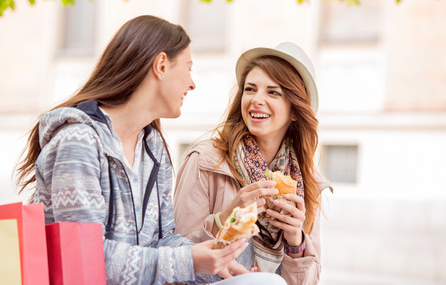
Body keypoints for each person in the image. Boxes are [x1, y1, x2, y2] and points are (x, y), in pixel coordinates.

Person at [15, 15, 253, 285]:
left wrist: (213, 261)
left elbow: (160, 241)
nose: (192, 83)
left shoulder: (153, 148)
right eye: (188, 68)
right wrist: (189, 260)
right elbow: (84, 259)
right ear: (161, 65)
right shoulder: (78, 143)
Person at [173, 42, 331, 284]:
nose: (256, 100)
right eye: (250, 89)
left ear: (295, 111)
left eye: (273, 92)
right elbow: (177, 258)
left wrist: (295, 242)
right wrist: (224, 219)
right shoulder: (204, 161)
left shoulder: (308, 182)